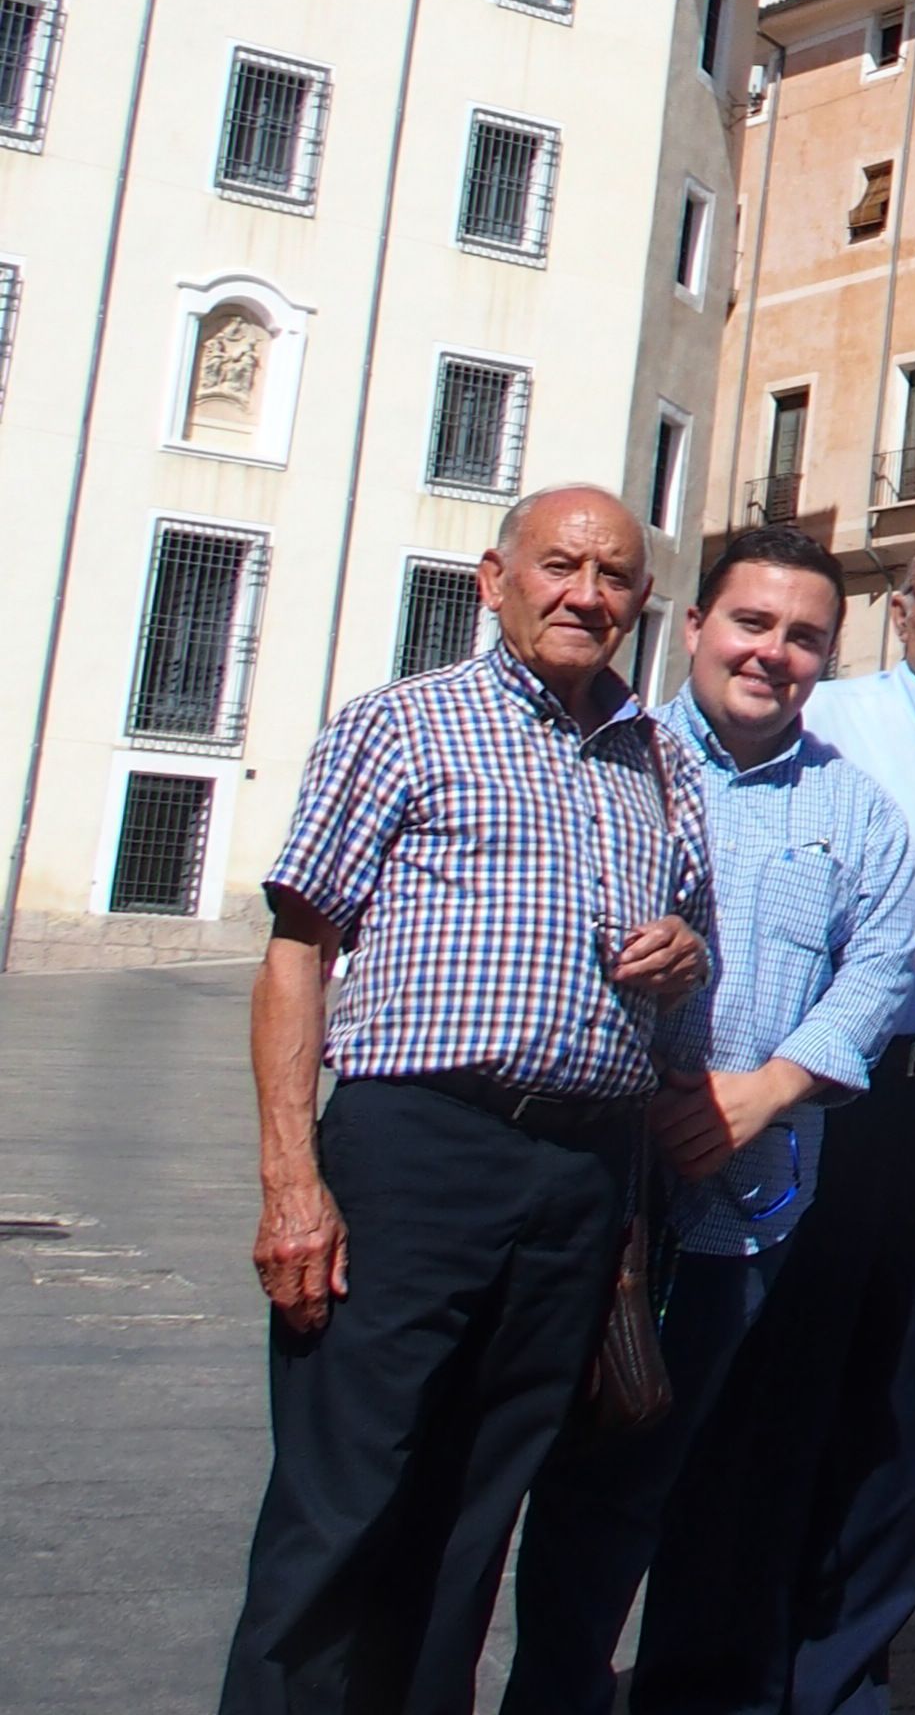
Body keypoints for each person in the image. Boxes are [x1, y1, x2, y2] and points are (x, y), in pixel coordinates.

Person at [219, 485, 715, 1715]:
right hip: (415, 1152)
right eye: (559, 567)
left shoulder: (658, 760)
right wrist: (293, 1179)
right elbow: (298, 952)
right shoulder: (401, 726)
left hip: (579, 1179)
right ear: (495, 580)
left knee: (477, 1512)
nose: (584, 594)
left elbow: (691, 946)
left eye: (612, 578)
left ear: (640, 606)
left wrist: (684, 955)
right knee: (344, 1499)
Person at [634, 531, 915, 1715]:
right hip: (840, 1089)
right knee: (771, 1386)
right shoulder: (842, 727)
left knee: (904, 1401)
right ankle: (721, 1669)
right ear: (904, 615)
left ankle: (848, 1674)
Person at [504, 525, 915, 1715]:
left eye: (802, 638)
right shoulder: (606, 762)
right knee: (542, 1483)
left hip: (749, 1204)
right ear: (692, 626)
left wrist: (768, 1087)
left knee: (709, 1482)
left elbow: (877, 969)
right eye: (751, 625)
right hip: (582, 1188)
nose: (771, 655)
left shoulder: (856, 810)